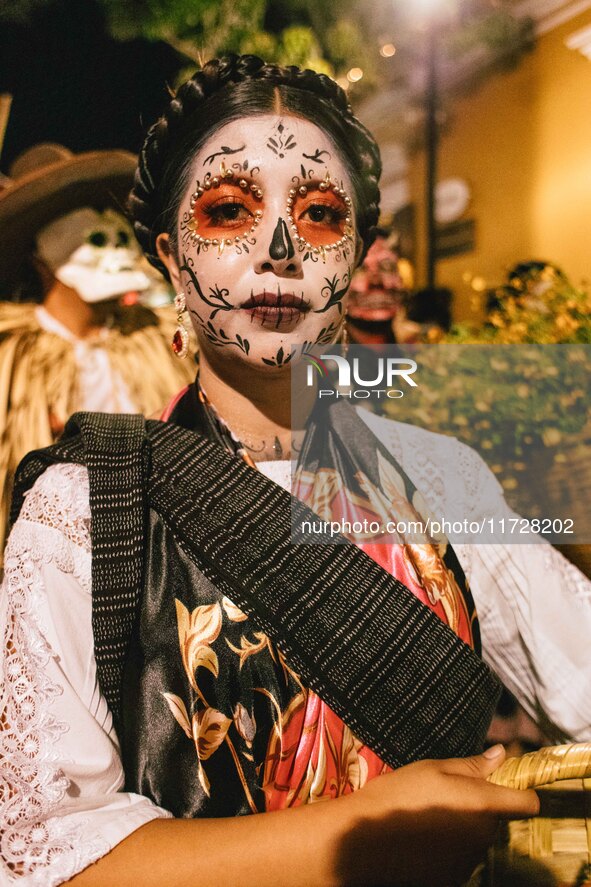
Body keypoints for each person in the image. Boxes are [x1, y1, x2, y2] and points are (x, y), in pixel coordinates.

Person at [2, 55, 590, 887]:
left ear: (354, 254)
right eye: (230, 209)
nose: (277, 250)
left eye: (316, 215)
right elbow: (42, 851)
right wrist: (353, 839)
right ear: (171, 256)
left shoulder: (438, 476)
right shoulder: (84, 509)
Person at [0, 143, 196, 557]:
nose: (118, 252)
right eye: (94, 238)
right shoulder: (11, 360)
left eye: (120, 236)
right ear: (42, 258)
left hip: (164, 558)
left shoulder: (161, 338)